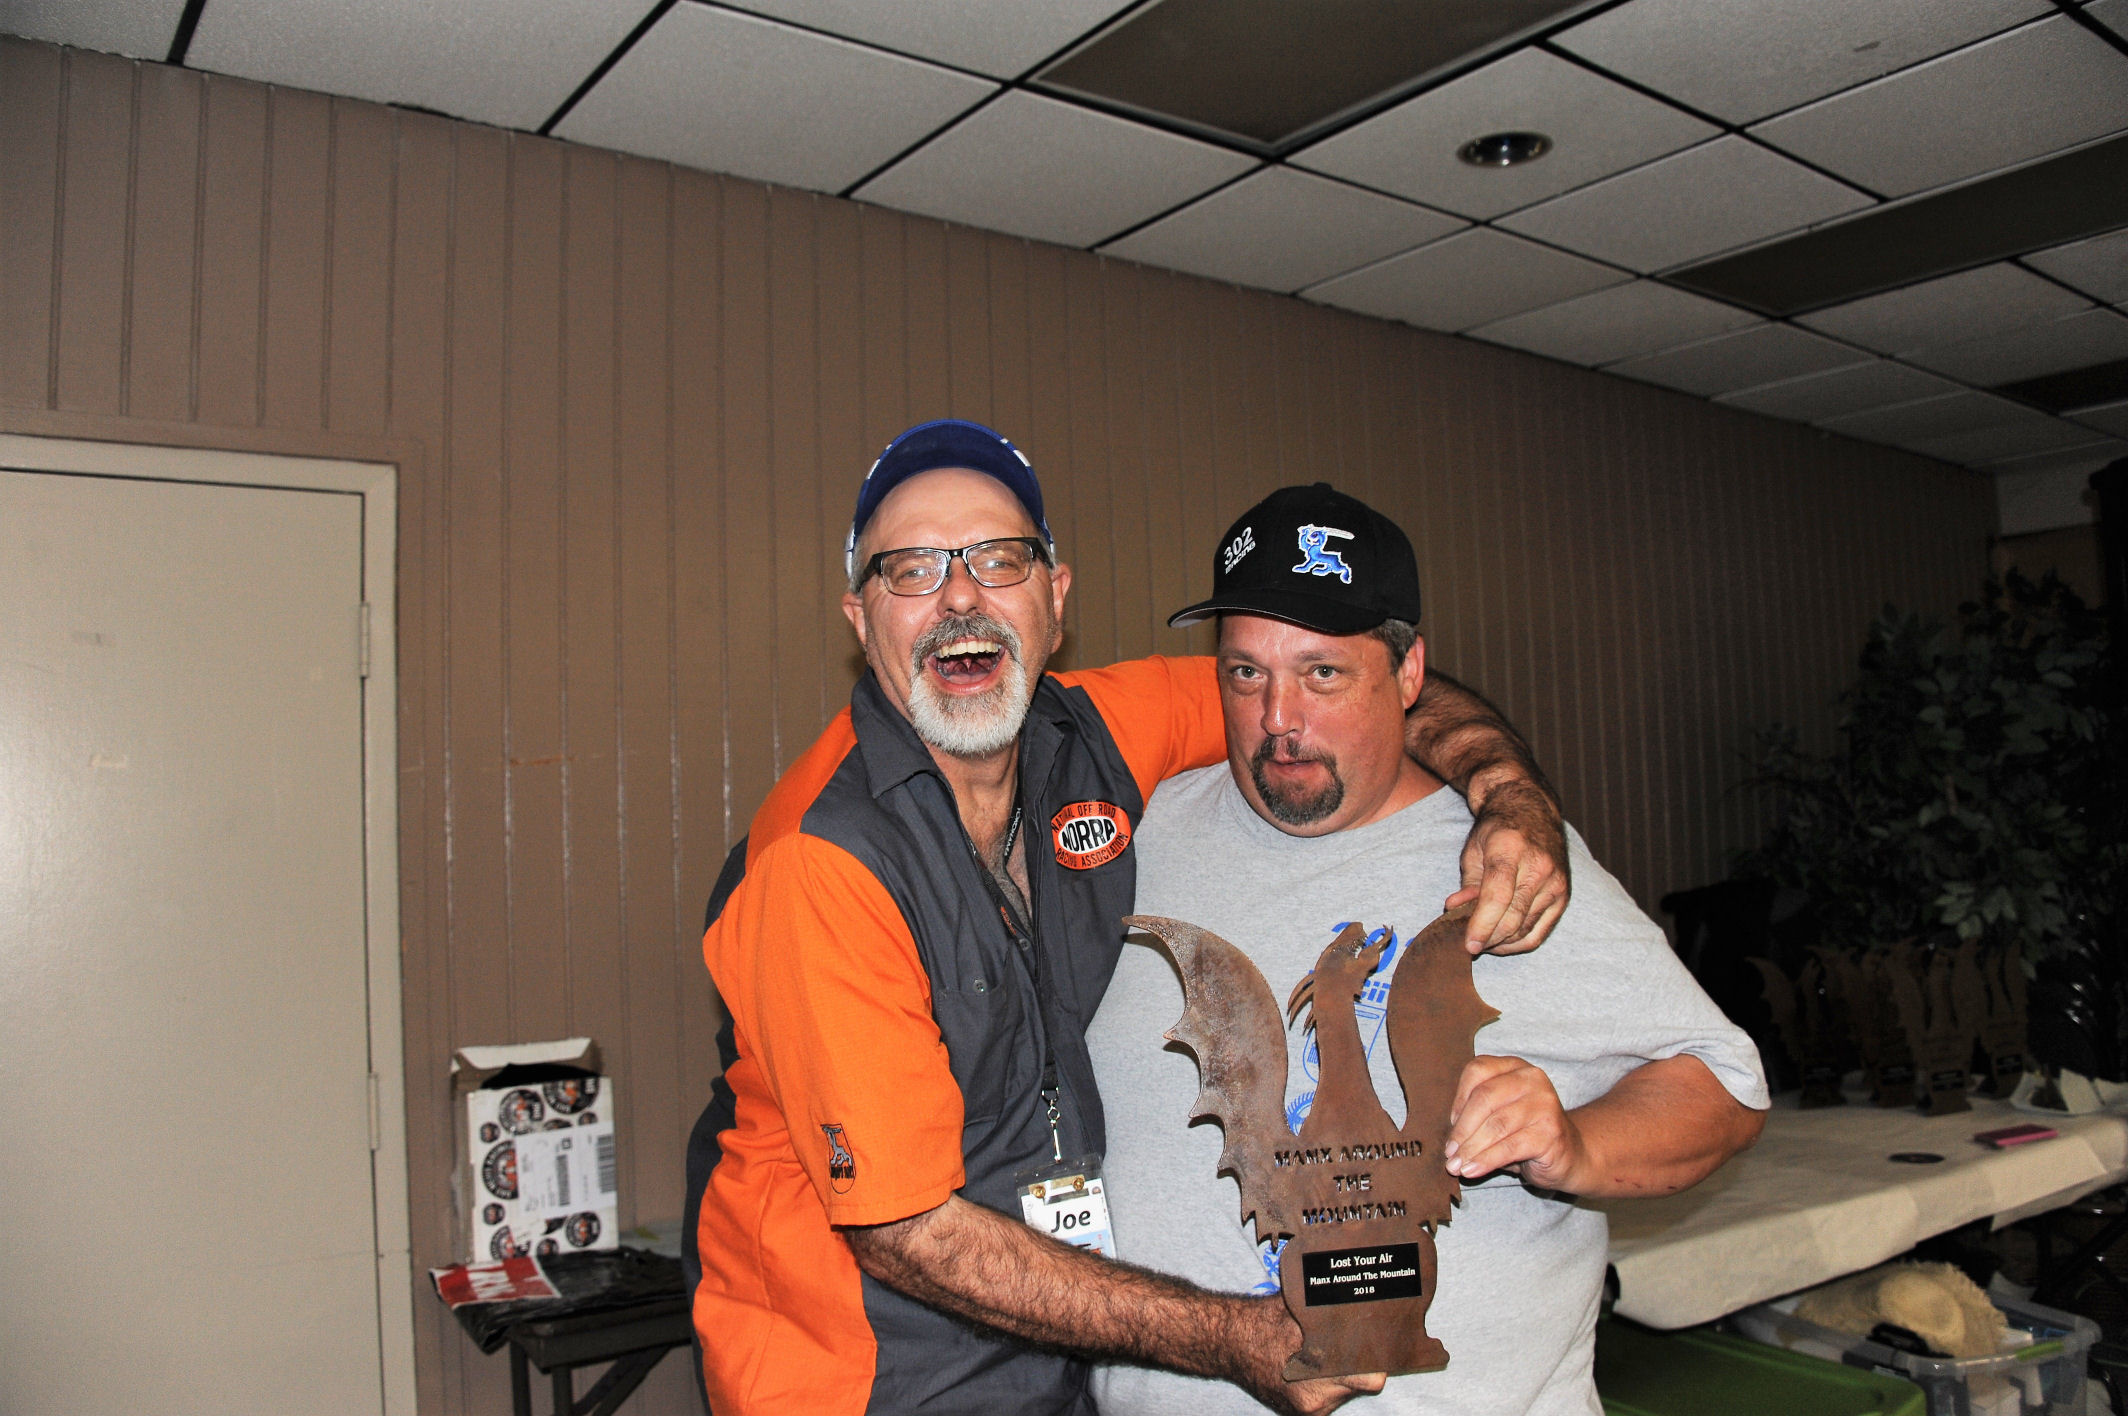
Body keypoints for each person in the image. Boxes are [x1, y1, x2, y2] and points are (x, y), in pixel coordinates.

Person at [683, 420, 1570, 1416]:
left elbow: (1349, 689)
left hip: (1055, 1358)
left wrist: (1510, 798)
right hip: (860, 1379)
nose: (961, 597)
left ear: (1056, 599)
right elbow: (907, 1233)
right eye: (912, 570)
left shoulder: (1095, 733)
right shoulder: (822, 861)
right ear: (860, 618)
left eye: (999, 559)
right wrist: (1234, 1338)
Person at [1088, 483, 1770, 1416]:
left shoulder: (1503, 868)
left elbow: (1724, 1090)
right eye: (1246, 673)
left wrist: (1574, 1145)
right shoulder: (1138, 840)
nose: (1279, 716)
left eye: (1323, 674)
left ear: (1410, 675)